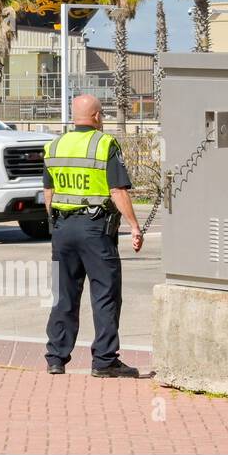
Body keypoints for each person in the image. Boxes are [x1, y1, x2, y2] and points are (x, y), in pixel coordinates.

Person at [43, 94, 142, 378]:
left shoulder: (55, 145)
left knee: (64, 295)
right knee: (105, 294)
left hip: (62, 229)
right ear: (97, 116)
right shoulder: (104, 144)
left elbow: (48, 194)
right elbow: (117, 191)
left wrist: (57, 225)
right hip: (95, 229)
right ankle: (104, 360)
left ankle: (56, 358)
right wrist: (134, 226)